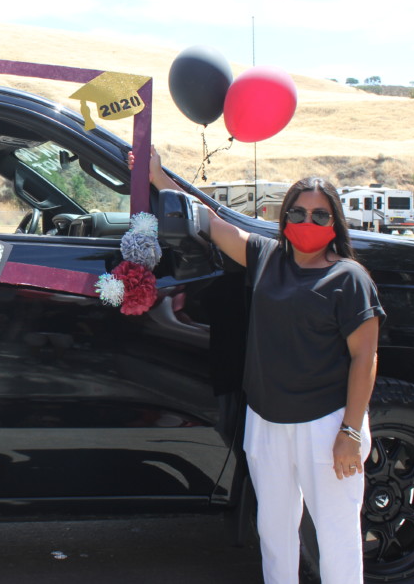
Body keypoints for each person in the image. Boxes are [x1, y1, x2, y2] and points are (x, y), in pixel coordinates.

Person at [146, 147, 383, 583]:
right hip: (267, 424)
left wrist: (351, 432)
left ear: (335, 224)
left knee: (337, 539)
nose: (307, 223)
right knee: (273, 534)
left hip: (327, 426)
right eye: (298, 213)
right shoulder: (266, 257)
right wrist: (158, 176)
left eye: (319, 215)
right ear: (284, 217)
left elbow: (364, 358)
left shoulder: (349, 278)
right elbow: (207, 220)